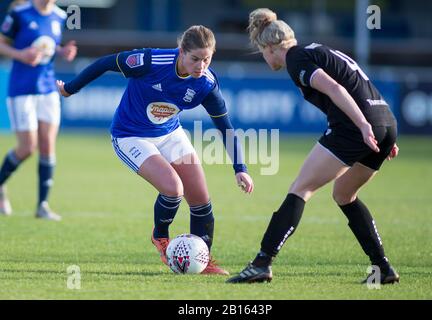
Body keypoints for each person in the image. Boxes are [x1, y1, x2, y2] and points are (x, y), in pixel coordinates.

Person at [56, 25, 254, 275]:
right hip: (130, 135)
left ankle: (202, 262)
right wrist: (70, 88)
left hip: (170, 134)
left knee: (201, 200)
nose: (201, 66)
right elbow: (107, 62)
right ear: (181, 52)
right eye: (195, 58)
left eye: (207, 59)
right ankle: (160, 237)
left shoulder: (206, 84)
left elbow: (225, 127)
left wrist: (240, 169)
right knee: (174, 190)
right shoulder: (150, 61)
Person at [227, 8, 400, 284]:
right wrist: (383, 131)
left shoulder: (297, 58)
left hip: (358, 128)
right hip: (385, 120)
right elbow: (360, 82)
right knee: (344, 194)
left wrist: (365, 126)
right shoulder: (316, 50)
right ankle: (383, 269)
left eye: (262, 52)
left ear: (270, 47)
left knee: (300, 188)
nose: (264, 58)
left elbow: (335, 89)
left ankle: (262, 262)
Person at [0, 0, 77, 220]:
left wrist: (62, 51)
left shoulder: (60, 16)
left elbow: (48, 48)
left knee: (47, 146)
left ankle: (42, 205)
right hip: (22, 89)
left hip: (48, 89)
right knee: (27, 147)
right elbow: (1, 43)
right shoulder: (19, 13)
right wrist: (20, 54)